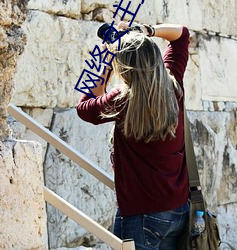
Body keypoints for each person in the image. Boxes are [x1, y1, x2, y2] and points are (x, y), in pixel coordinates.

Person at [77, 22, 190, 250]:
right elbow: (181, 35)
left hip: (140, 216)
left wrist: (107, 64)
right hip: (178, 209)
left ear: (124, 68)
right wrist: (145, 30)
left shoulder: (121, 100)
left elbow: (84, 107)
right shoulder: (174, 85)